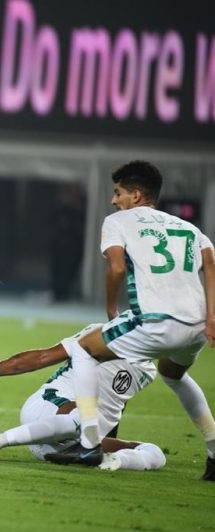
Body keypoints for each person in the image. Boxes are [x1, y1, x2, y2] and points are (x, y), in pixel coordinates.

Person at [50, 160, 215, 480]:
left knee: (84, 349)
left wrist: (110, 309)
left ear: (137, 195)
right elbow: (210, 261)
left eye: (118, 193)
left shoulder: (118, 221)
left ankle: (88, 443)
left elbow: (115, 269)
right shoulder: (190, 228)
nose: (113, 200)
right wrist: (211, 318)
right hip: (195, 327)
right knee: (174, 375)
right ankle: (214, 451)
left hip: (156, 323)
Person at [0, 324, 167, 472]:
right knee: (83, 417)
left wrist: (101, 447)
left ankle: (111, 461)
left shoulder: (147, 370)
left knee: (156, 455)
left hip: (68, 445)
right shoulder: (101, 335)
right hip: (46, 407)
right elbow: (43, 356)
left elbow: (115, 406)